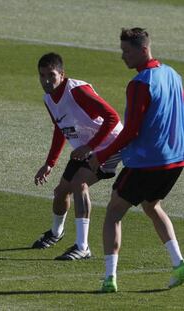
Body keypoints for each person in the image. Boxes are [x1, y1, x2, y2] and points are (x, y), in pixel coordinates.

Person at [89, 27, 184, 293]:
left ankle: (109, 279)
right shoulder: (174, 75)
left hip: (147, 163)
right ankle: (179, 263)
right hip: (175, 161)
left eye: (127, 51)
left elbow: (131, 130)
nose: (122, 57)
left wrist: (103, 155)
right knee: (152, 206)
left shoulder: (140, 83)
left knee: (113, 213)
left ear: (143, 50)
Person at [32, 52, 123, 260]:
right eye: (42, 75)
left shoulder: (77, 91)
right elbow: (60, 128)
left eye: (51, 75)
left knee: (78, 183)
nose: (46, 81)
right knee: (60, 192)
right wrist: (49, 163)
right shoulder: (49, 98)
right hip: (86, 148)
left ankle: (82, 247)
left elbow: (112, 117)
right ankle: (56, 233)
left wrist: (90, 146)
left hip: (111, 144)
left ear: (62, 75)